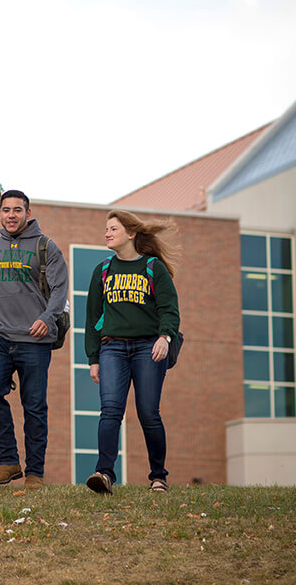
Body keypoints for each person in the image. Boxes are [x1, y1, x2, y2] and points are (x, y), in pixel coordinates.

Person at [0, 190, 69, 490]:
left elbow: (60, 290)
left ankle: (35, 472)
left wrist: (46, 318)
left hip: (35, 340)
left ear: (27, 212)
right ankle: (9, 461)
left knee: (34, 406)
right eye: (6, 210)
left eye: (17, 210)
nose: (11, 215)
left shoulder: (45, 247)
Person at [84, 210, 180, 495]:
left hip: (147, 347)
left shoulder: (153, 267)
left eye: (113, 229)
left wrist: (165, 337)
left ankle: (158, 477)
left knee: (148, 413)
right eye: (106, 229)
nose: (107, 234)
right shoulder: (102, 270)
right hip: (111, 347)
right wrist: (93, 358)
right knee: (110, 411)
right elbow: (92, 318)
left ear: (131, 233)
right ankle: (104, 474)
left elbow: (169, 309)